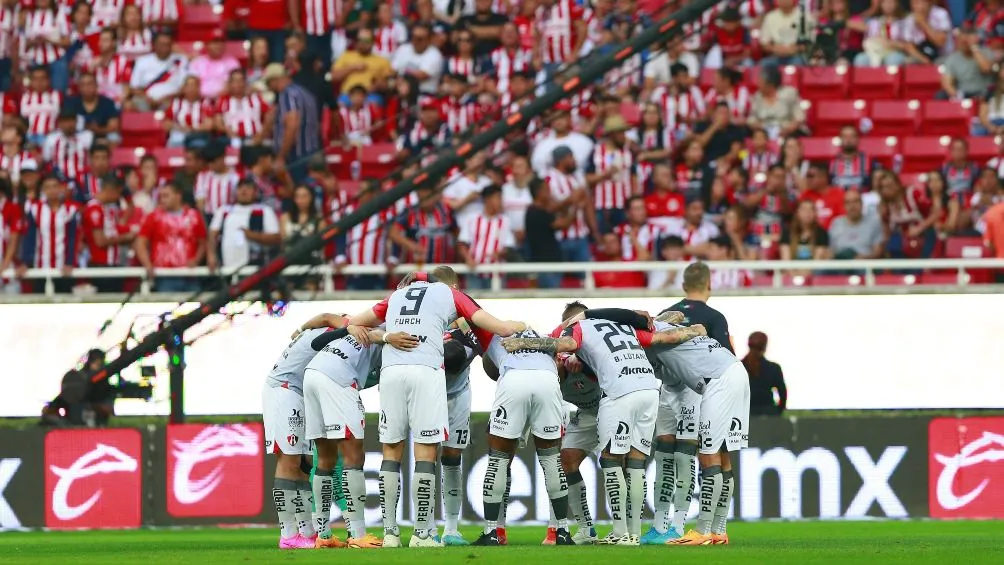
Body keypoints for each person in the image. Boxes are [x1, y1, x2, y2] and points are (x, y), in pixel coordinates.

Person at [346, 268, 525, 547]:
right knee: (426, 452)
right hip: (426, 373)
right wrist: (518, 325)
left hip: (392, 372)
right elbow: (501, 329)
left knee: (391, 451)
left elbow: (354, 323)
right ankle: (422, 534)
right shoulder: (451, 295)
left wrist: (386, 336)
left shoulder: (397, 295)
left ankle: (391, 533)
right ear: (452, 285)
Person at [503, 303, 704, 545]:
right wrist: (689, 329)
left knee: (613, 460)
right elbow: (661, 331)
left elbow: (564, 343)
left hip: (616, 395)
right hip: (639, 392)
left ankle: (621, 532)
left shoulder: (576, 333)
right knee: (602, 461)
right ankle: (615, 532)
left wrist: (522, 343)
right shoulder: (620, 326)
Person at [303, 321, 418, 549]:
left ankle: (323, 535)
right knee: (353, 456)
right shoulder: (390, 329)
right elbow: (377, 338)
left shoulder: (360, 325)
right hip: (339, 378)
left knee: (325, 459)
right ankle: (357, 535)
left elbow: (316, 343)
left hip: (312, 374)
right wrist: (387, 337)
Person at [473, 324, 574, 546]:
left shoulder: (494, 335)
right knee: (551, 461)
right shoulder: (545, 338)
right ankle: (562, 532)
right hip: (548, 382)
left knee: (499, 460)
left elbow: (466, 320)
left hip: (513, 380)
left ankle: (492, 532)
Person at [262, 313, 352, 550]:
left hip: (297, 393)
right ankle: (288, 535)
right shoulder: (324, 336)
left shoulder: (317, 333)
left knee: (303, 465)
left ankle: (308, 533)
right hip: (283, 390)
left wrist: (301, 327)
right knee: (288, 460)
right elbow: (326, 317)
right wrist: (348, 327)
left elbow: (322, 318)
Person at [134, 183, 207, 293]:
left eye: (166, 196)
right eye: (161, 196)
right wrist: (147, 264)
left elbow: (203, 242)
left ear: (178, 196)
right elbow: (140, 243)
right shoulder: (154, 216)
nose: (162, 200)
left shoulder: (194, 215)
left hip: (189, 274)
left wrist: (196, 260)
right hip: (164, 274)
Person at [19, 175, 80, 293]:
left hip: (63, 268)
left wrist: (70, 262)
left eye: (54, 186)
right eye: (47, 187)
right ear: (43, 190)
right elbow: (30, 238)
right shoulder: (35, 209)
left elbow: (73, 238)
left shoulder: (71, 210)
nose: (52, 190)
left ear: (61, 188)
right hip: (41, 266)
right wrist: (26, 262)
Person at [207, 178, 281, 271]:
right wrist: (211, 255)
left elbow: (275, 238)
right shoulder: (224, 211)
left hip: (256, 268)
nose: (244, 190)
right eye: (240, 187)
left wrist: (253, 236)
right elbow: (212, 235)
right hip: (225, 267)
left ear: (255, 192)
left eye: (248, 188)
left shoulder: (264, 211)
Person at [263, 63, 320, 184]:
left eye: (269, 84)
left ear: (274, 80)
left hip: (296, 156)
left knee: (298, 189)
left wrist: (281, 156)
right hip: (312, 151)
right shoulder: (306, 93)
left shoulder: (287, 95)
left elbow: (292, 126)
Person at [458, 184, 516, 290]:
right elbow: (462, 243)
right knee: (473, 299)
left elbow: (509, 246)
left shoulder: (505, 221)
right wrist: (468, 258)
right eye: (497, 198)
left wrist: (500, 253)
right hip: (474, 272)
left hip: (496, 272)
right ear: (487, 199)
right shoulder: (472, 219)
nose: (500, 202)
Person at [829, 189, 885, 260]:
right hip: (841, 263)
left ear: (862, 204)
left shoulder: (873, 223)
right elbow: (831, 251)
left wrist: (861, 258)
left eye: (856, 201)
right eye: (848, 203)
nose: (852, 206)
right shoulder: (836, 223)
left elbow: (877, 253)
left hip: (865, 263)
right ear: (844, 206)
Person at [743, 331, 787, 416]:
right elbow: (783, 393)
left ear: (748, 345)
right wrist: (778, 411)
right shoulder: (774, 368)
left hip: (745, 414)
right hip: (769, 414)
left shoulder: (738, 367)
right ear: (765, 347)